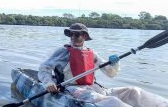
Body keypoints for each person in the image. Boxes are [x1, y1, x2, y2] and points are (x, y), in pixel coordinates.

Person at [38, 23, 168, 107]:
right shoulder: (62, 52)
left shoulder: (92, 54)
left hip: (93, 88)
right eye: (71, 34)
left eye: (76, 34)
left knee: (133, 91)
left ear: (84, 36)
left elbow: (110, 73)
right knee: (113, 102)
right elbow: (44, 68)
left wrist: (115, 63)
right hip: (72, 89)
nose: (73, 37)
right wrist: (48, 83)